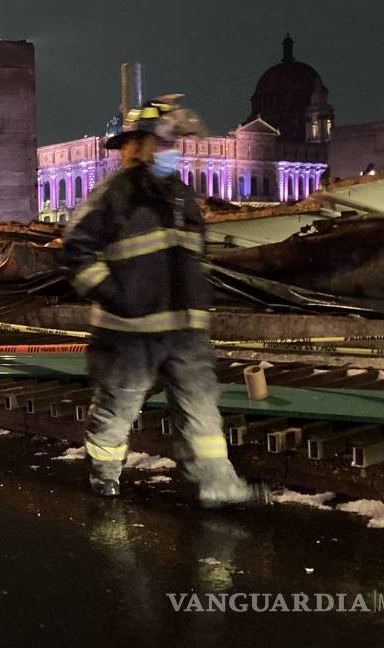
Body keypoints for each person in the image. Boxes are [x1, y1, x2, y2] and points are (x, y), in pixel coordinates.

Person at [60, 95, 268, 508]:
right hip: (130, 331)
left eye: (175, 143)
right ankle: (105, 473)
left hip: (185, 329)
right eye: (164, 142)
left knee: (201, 410)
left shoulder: (180, 195)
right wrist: (116, 296)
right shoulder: (115, 195)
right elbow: (77, 250)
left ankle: (216, 484)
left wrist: (201, 299)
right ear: (139, 145)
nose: (172, 151)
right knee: (118, 406)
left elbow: (191, 255)